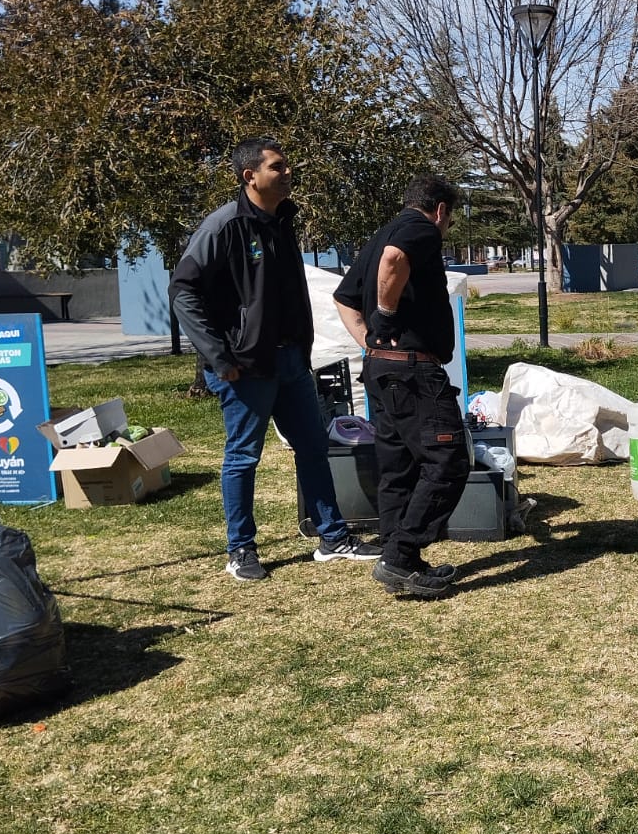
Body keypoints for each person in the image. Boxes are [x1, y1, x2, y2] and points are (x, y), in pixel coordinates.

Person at [169, 137, 381, 581]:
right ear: (250, 176)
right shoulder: (223, 227)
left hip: (290, 361)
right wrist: (218, 356)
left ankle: (332, 537)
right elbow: (183, 292)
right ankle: (240, 550)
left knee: (313, 448)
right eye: (277, 167)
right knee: (243, 457)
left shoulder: (282, 221)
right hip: (245, 366)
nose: (287, 173)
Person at [333, 173, 470, 597]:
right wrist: (387, 318)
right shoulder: (420, 227)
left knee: (399, 465)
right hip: (413, 371)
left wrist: (370, 343)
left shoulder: (380, 234)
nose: (445, 230)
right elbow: (395, 260)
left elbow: (343, 297)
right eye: (449, 221)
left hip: (383, 369)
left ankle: (399, 554)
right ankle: (401, 555)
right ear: (441, 210)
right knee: (448, 459)